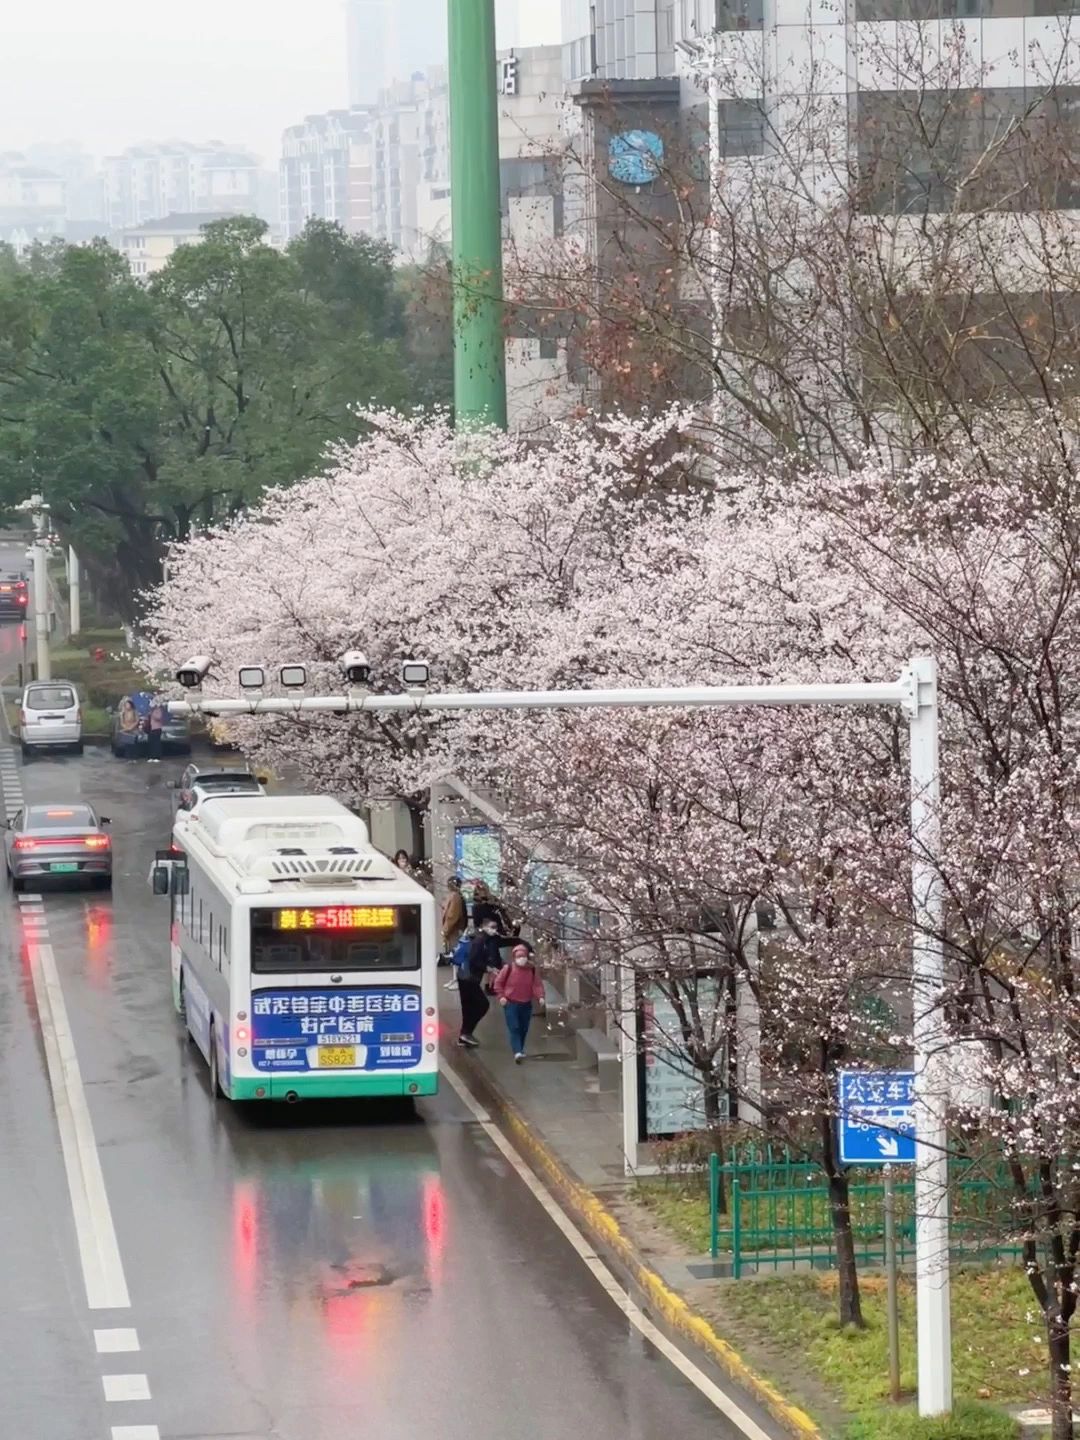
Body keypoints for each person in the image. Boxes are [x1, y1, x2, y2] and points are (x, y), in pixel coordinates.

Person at [457, 918, 512, 1048]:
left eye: (496, 927)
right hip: (469, 979)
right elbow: (474, 960)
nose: (495, 930)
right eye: (492, 927)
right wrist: (488, 968)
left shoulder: (481, 938)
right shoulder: (480, 940)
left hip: (465, 977)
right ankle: (466, 1032)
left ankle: (464, 1034)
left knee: (469, 1007)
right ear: (484, 926)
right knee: (482, 1005)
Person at [494, 943, 545, 1063]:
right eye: (519, 957)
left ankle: (519, 1049)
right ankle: (517, 1051)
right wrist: (501, 996)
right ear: (514, 958)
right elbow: (498, 983)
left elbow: (536, 985)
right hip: (511, 1003)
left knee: (523, 1028)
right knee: (514, 1027)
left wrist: (540, 996)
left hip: (526, 1004)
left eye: (523, 956)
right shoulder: (508, 969)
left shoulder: (531, 970)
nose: (521, 959)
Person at [146, 699, 165, 763]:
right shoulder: (150, 710)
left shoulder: (158, 709)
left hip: (157, 728)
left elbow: (159, 717)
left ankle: (157, 757)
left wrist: (153, 714)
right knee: (151, 743)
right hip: (150, 729)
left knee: (156, 743)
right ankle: (151, 756)